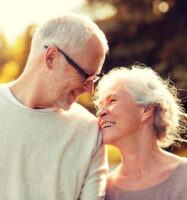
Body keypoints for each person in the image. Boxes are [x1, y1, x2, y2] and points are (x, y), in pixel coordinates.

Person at [0, 13, 108, 200]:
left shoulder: (90, 132)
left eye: (94, 79)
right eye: (86, 75)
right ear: (50, 57)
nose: (90, 89)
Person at [94, 65, 187, 200]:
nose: (100, 112)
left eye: (112, 100)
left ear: (145, 110)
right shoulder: (102, 191)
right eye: (100, 105)